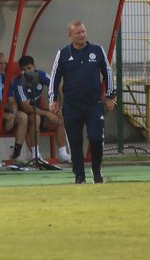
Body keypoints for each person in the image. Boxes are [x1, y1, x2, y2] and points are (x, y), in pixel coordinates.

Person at [49, 21, 115, 185]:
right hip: (72, 105)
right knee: (75, 142)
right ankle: (79, 176)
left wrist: (110, 96)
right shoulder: (63, 53)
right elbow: (54, 77)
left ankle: (97, 170)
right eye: (78, 33)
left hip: (93, 104)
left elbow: (108, 72)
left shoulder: (97, 51)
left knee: (96, 138)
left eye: (83, 32)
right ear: (70, 36)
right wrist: (53, 100)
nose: (82, 35)